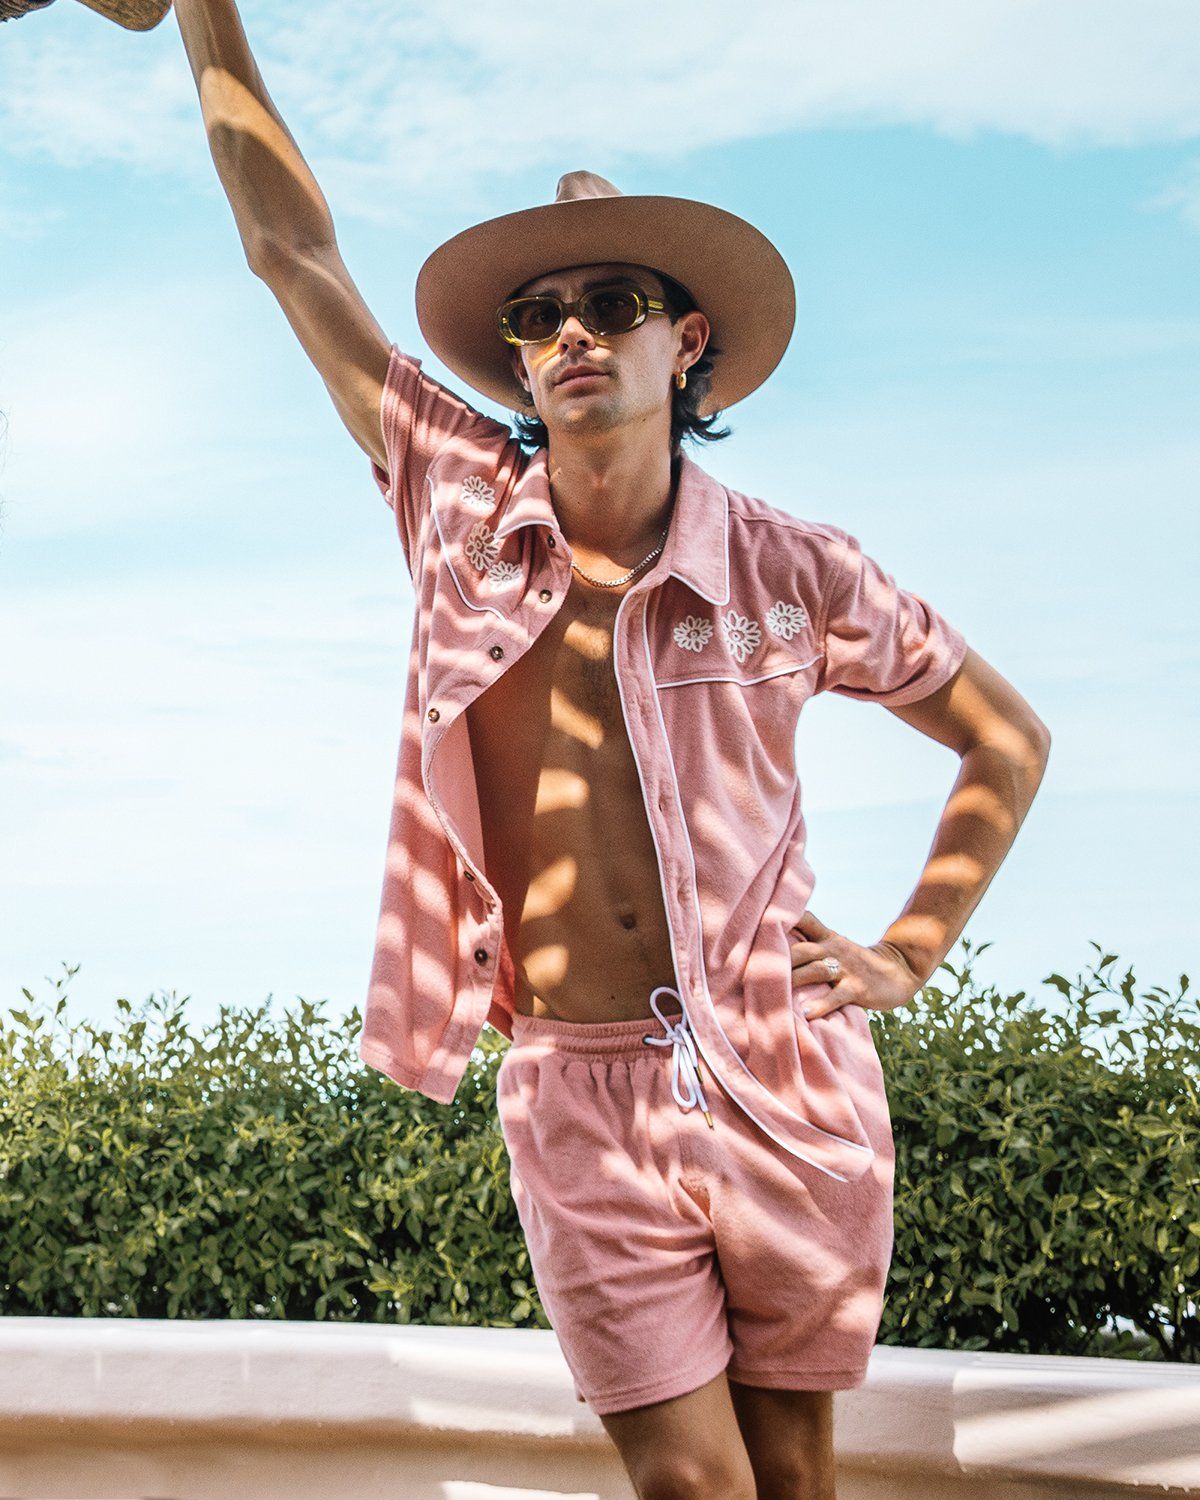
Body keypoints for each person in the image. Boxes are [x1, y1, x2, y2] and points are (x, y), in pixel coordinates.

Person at [171, 4, 1051, 1495]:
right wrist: (203, 9)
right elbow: (290, 253)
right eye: (539, 315)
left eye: (614, 300)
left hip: (790, 1075)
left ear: (684, 340)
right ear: (519, 365)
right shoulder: (457, 504)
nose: (572, 331)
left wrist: (909, 952)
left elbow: (1005, 743)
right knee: (691, 1484)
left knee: (792, 1481)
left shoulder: (797, 570)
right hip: (581, 1091)